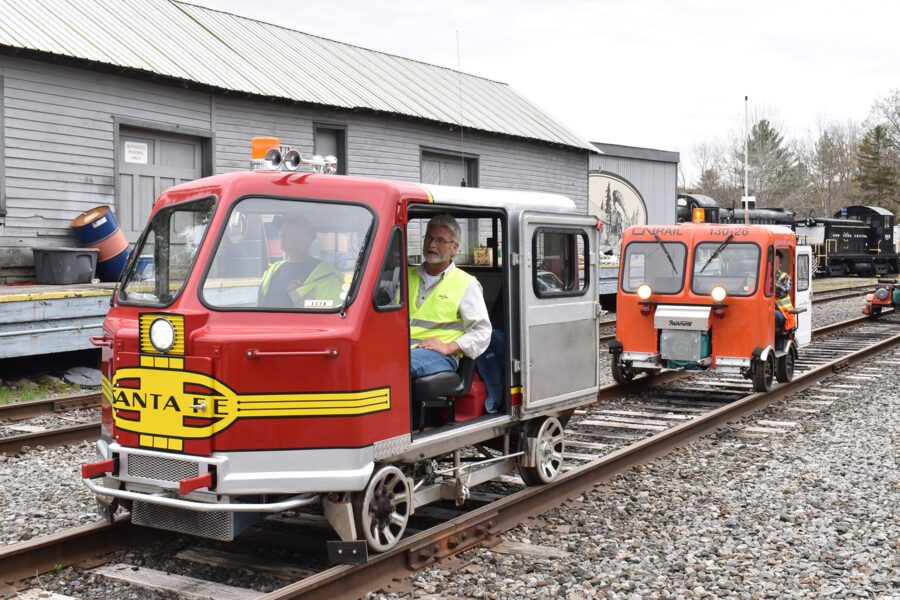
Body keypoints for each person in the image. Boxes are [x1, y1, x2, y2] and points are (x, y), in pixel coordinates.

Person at [409, 214, 493, 404]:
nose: (432, 245)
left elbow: (482, 332)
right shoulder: (405, 276)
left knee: (396, 367)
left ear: (454, 248)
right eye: (429, 238)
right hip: (400, 349)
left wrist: (449, 347)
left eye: (440, 240)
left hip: (439, 355)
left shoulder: (466, 283)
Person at [258, 215, 344, 308]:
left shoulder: (327, 277)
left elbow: (331, 316)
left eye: (289, 231)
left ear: (306, 239)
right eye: (282, 231)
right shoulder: (274, 269)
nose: (282, 234)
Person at [774, 250, 796, 333]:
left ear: (779, 265)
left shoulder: (784, 276)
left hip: (784, 314)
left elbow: (783, 293)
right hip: (766, 310)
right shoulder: (757, 276)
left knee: (768, 315)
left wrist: (769, 279)